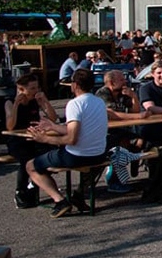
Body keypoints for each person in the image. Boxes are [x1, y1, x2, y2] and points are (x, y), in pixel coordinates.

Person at [26, 69, 109, 218]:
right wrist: (53, 127)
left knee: (31, 166)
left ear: (74, 85)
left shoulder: (74, 104)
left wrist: (44, 139)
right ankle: (77, 195)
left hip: (77, 156)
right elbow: (81, 129)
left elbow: (72, 138)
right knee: (55, 157)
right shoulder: (99, 102)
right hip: (99, 154)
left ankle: (60, 200)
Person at [4, 73, 58, 208]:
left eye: (37, 88)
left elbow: (53, 118)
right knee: (27, 160)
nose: (36, 91)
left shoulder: (35, 100)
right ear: (22, 89)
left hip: (34, 137)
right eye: (32, 88)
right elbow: (10, 126)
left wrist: (45, 102)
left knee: (53, 155)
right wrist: (16, 105)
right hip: (17, 140)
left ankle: (34, 183)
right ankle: (20, 192)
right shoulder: (10, 102)